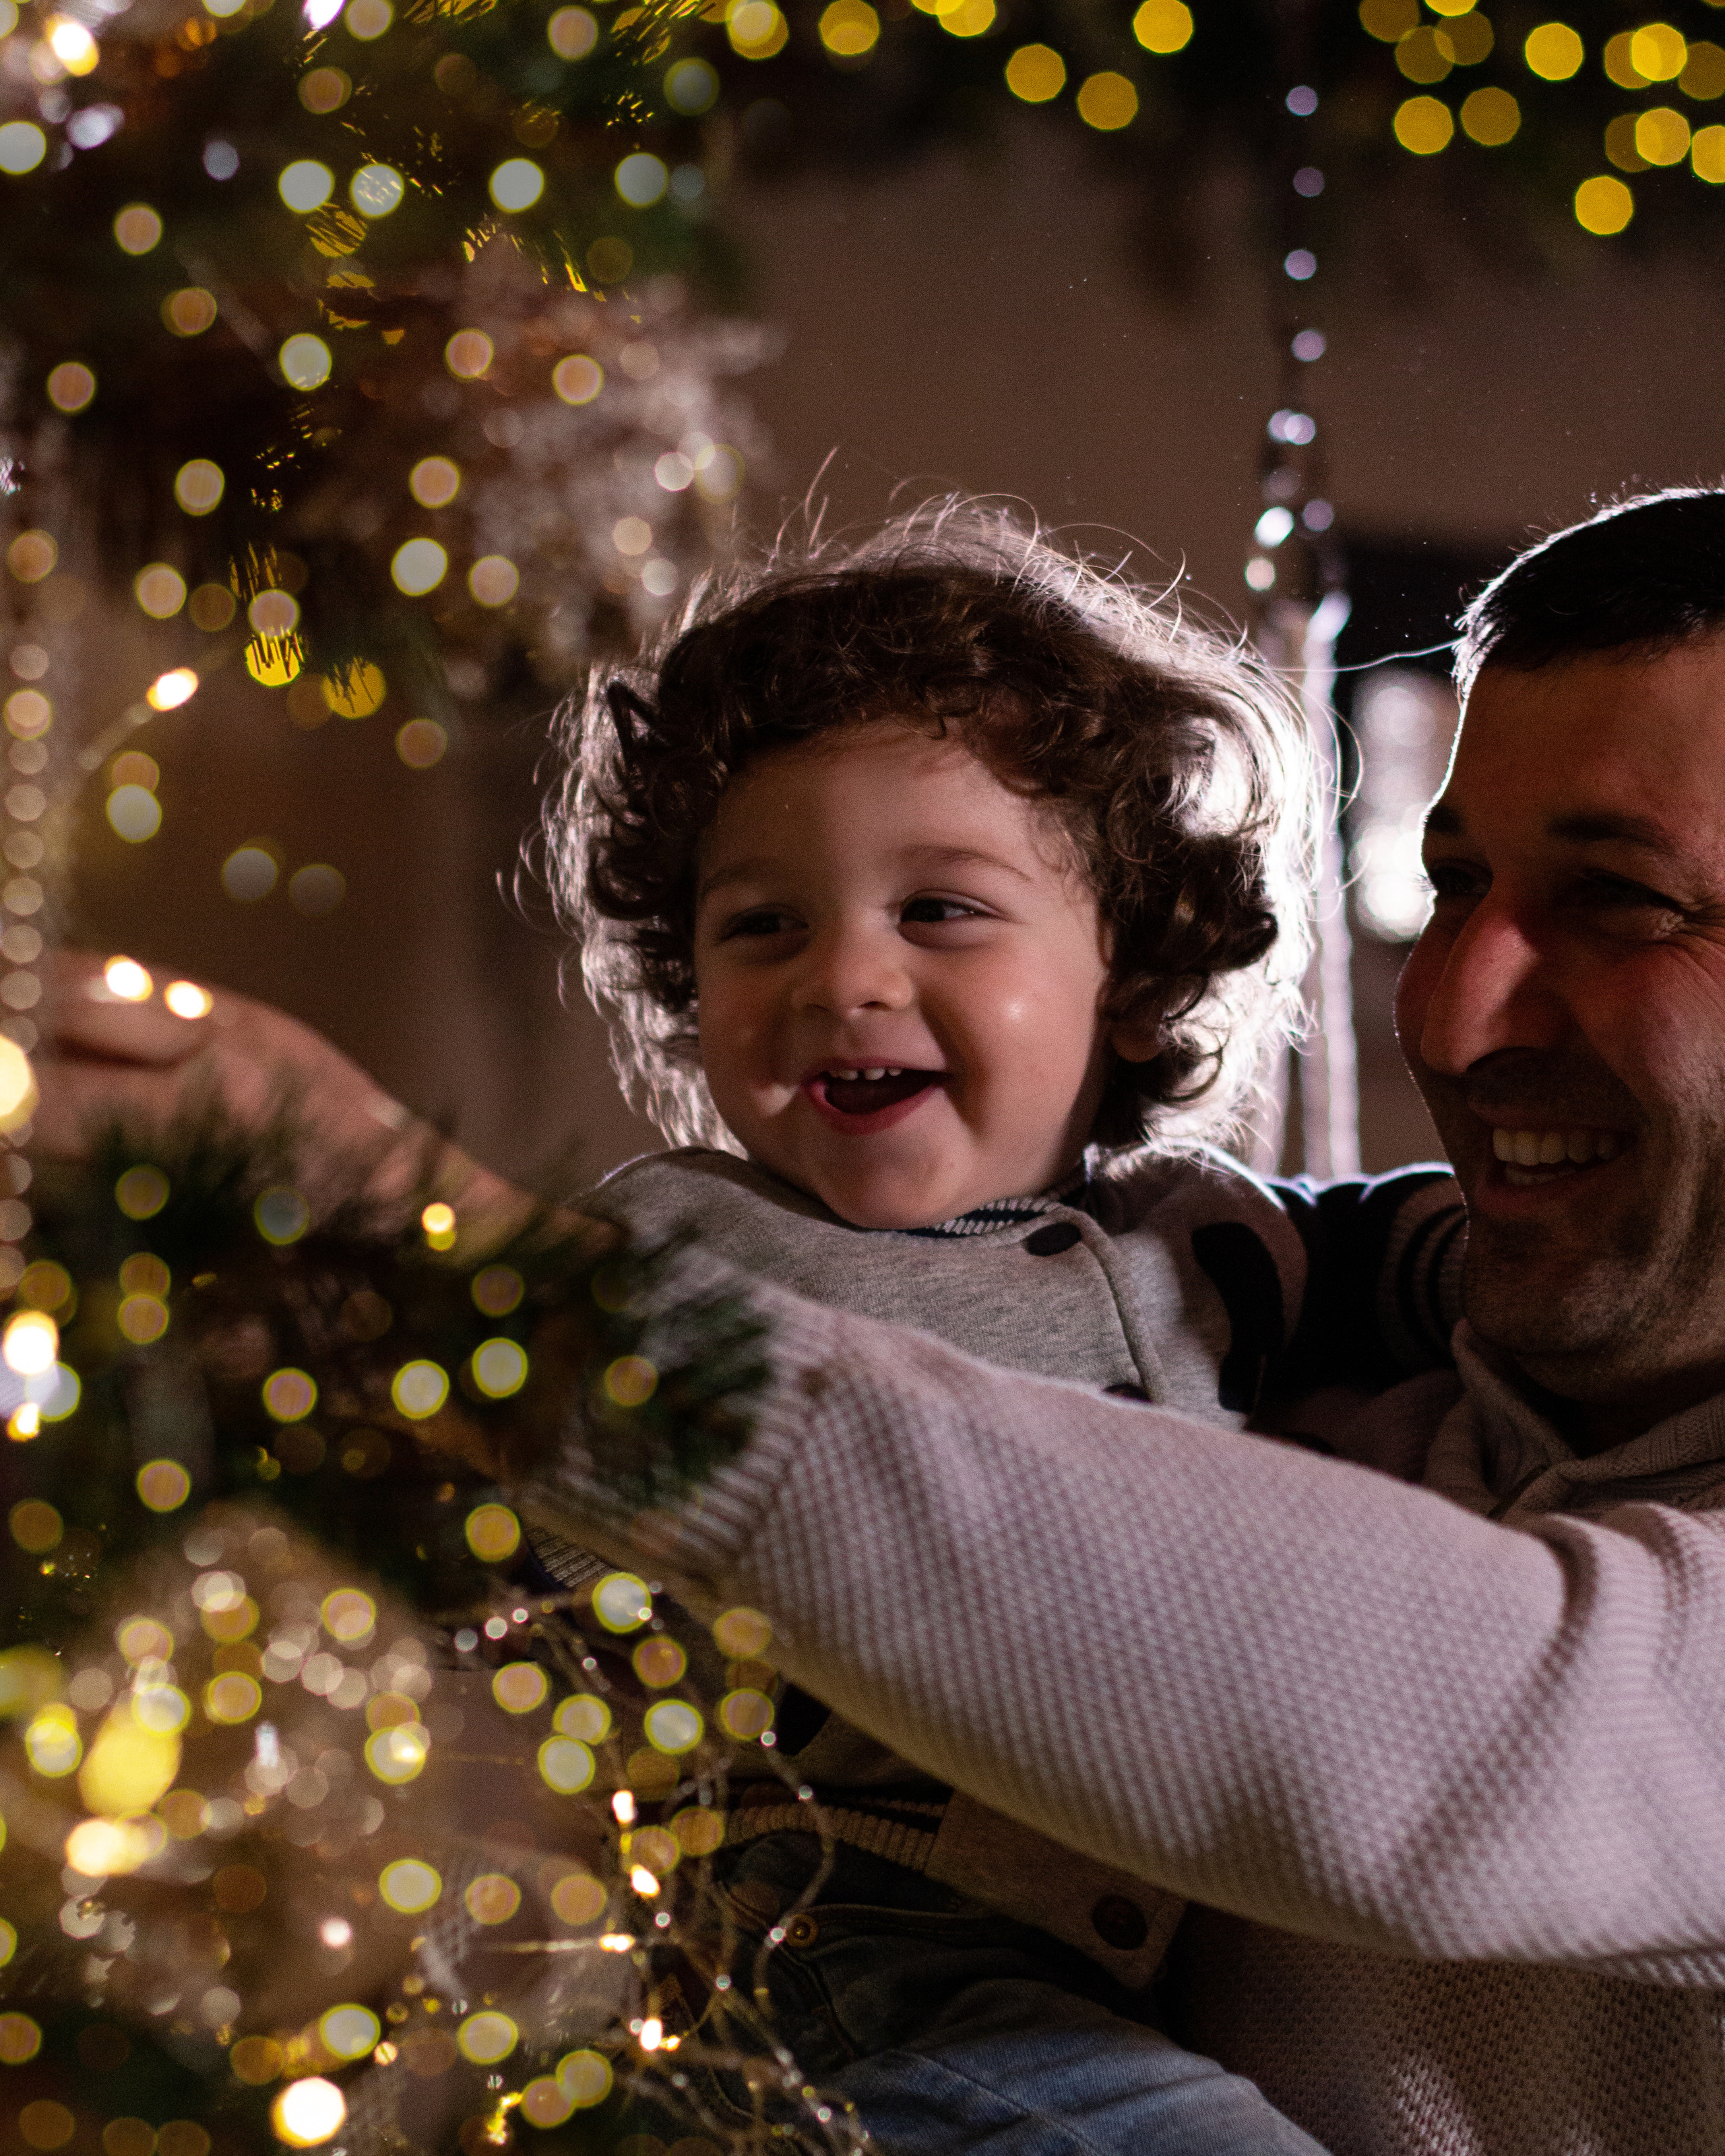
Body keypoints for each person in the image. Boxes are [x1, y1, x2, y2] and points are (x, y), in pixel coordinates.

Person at [513, 485, 1725, 2155]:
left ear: (1134, 975)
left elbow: (1484, 1717)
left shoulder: (1200, 1260)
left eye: (1620, 899)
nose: (1444, 1009)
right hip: (792, 1971)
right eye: (1447, 888)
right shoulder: (679, 1249)